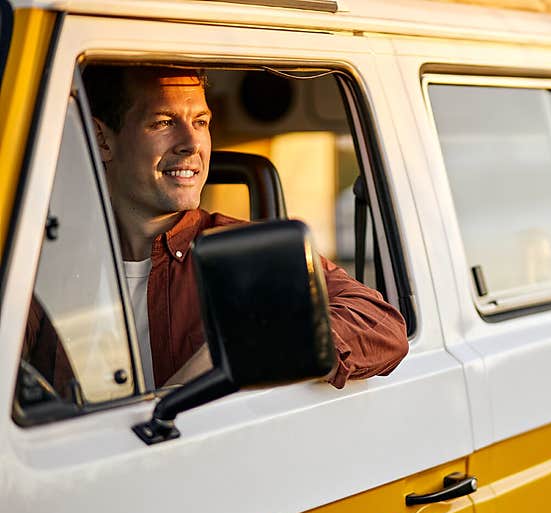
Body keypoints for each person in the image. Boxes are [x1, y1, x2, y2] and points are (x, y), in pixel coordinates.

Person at [72, 64, 408, 390]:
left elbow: (381, 326)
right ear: (102, 139)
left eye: (200, 122)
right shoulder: (50, 261)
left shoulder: (250, 253)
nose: (192, 143)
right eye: (163, 122)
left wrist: (240, 350)